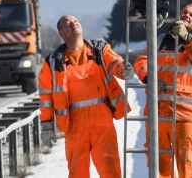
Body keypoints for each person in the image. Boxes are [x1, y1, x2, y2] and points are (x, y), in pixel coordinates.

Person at [38, 15, 134, 178]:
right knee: (77, 173)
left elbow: (114, 61)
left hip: (102, 123)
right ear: (60, 32)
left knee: (111, 171)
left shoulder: (99, 49)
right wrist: (47, 125)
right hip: (74, 126)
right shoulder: (52, 62)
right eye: (67, 23)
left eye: (76, 21)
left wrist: (123, 69)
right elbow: (46, 97)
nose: (73, 24)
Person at [134, 4, 192, 178]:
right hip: (158, 114)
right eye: (184, 12)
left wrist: (186, 37)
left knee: (187, 167)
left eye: (191, 14)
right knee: (160, 170)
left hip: (184, 116)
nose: (186, 15)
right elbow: (141, 61)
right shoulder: (159, 41)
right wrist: (148, 77)